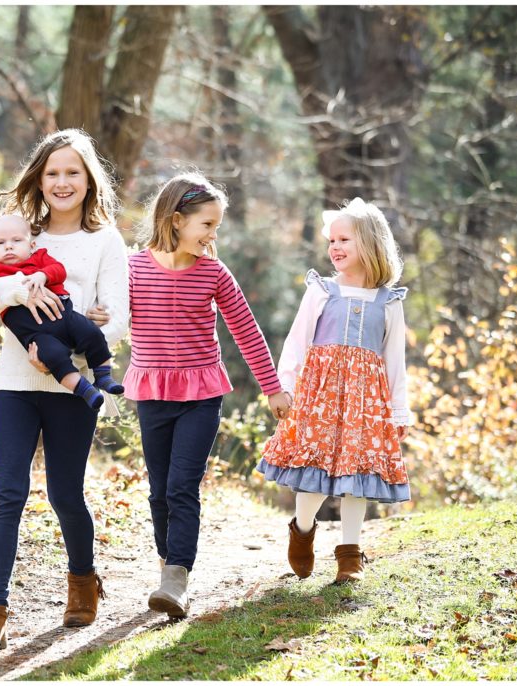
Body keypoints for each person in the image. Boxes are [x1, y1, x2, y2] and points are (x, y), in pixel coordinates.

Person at [0, 129, 129, 652]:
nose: (61, 182)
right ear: (39, 179)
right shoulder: (17, 232)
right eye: (52, 173)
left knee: (64, 494)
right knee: (6, 494)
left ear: (88, 181)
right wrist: (20, 289)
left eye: (72, 173)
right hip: (13, 383)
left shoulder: (105, 240)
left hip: (70, 387)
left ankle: (83, 580)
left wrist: (87, 335)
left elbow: (117, 316)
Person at [124, 172, 291, 618]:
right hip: (153, 392)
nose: (214, 236)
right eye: (207, 225)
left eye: (217, 227)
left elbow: (246, 331)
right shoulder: (133, 269)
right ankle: (168, 565)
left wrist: (272, 387)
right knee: (159, 490)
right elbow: (106, 320)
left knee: (182, 486)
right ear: (177, 220)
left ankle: (177, 575)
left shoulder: (213, 272)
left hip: (201, 394)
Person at [256, 197, 410, 585]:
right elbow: (296, 342)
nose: (335, 248)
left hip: (366, 404)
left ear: (371, 244)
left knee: (357, 475)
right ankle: (303, 529)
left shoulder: (389, 301)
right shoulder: (322, 290)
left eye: (345, 240)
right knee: (314, 471)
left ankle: (349, 555)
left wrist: (399, 412)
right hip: (319, 398)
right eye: (332, 241)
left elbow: (395, 361)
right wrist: (284, 386)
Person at [0, 213, 124, 410]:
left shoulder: (39, 258)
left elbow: (59, 270)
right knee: (53, 355)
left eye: (16, 241)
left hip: (64, 316)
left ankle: (103, 376)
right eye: (0, 243)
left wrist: (42, 274)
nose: (8, 246)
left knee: (91, 332)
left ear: (31, 246)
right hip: (36, 333)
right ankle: (83, 389)